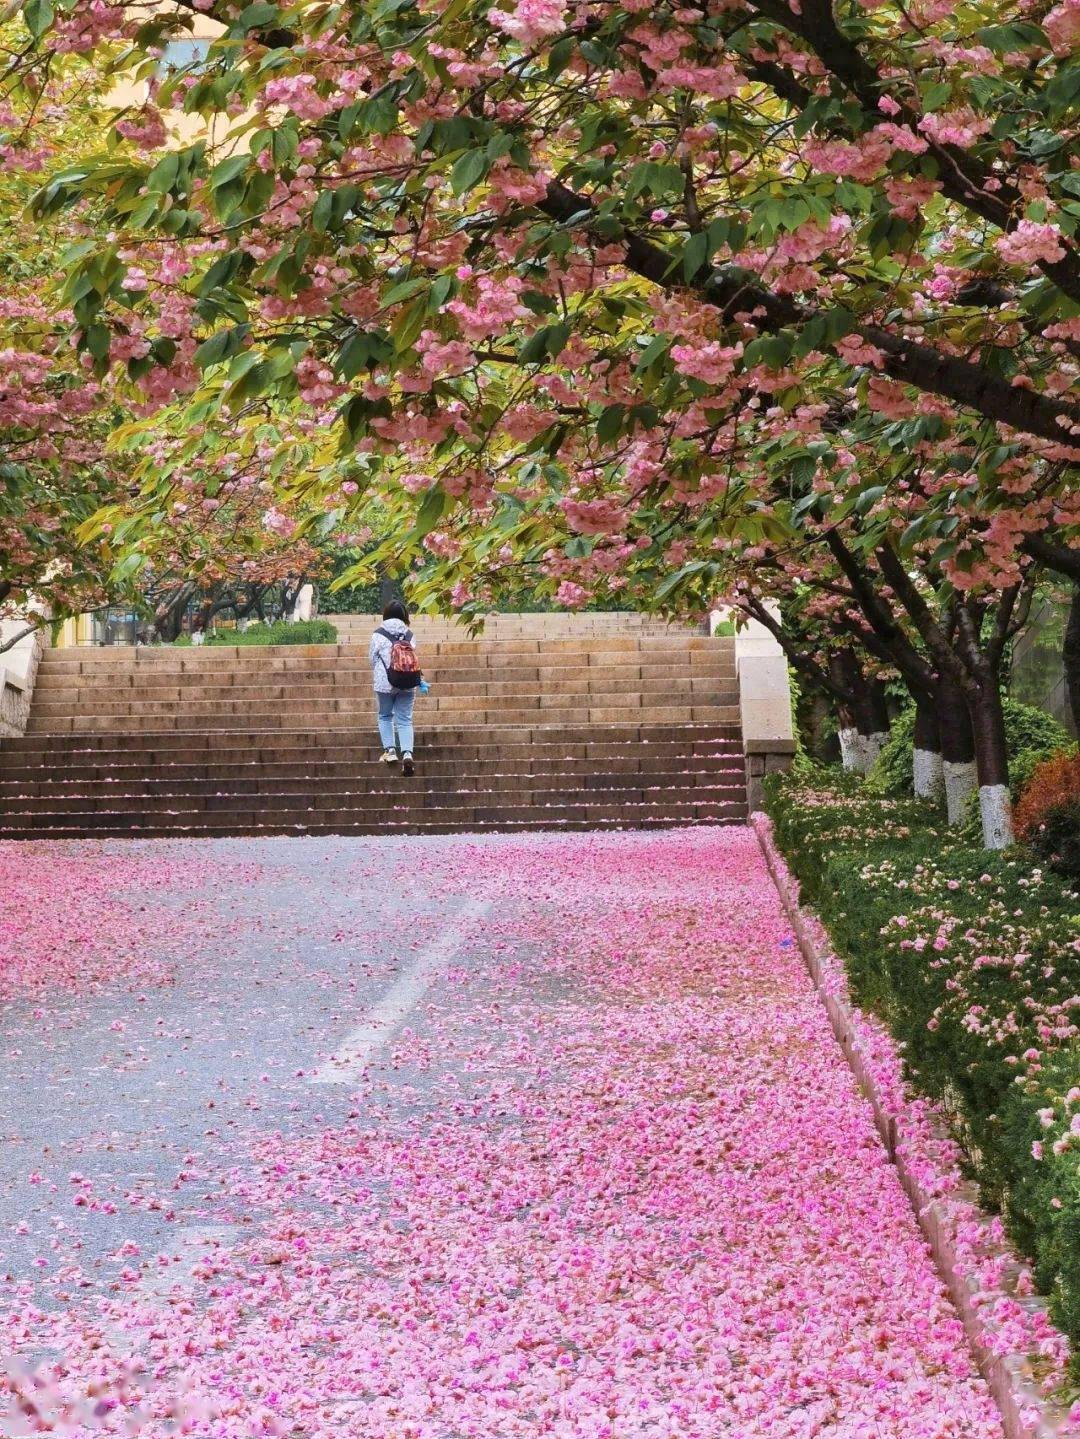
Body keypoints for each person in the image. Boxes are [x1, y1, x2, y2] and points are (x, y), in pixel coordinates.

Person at [369, 601, 418, 776]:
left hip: (385, 683)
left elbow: (372, 660)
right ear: (405, 616)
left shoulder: (378, 634)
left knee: (385, 715)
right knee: (405, 719)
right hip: (407, 681)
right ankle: (407, 753)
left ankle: (390, 751)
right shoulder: (409, 634)